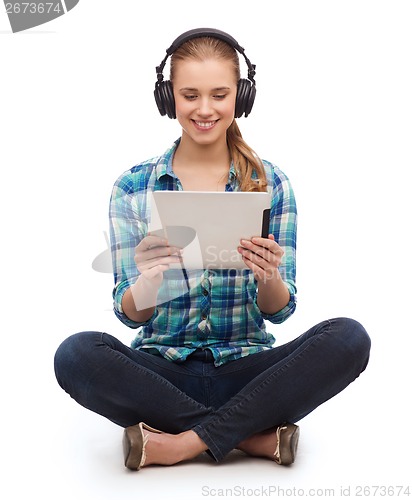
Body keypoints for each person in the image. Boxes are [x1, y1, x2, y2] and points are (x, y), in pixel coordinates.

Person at [54, 28, 371, 471]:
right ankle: (248, 436)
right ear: (169, 99)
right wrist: (150, 279)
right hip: (162, 373)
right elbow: (130, 314)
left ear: (241, 97)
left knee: (349, 338)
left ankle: (183, 443)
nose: (204, 109)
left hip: (251, 373)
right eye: (189, 95)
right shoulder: (133, 186)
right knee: (75, 353)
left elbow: (279, 312)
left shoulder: (272, 183)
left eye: (219, 94)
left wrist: (269, 277)